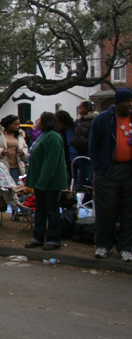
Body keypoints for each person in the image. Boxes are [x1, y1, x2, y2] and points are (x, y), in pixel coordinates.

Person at [89, 88, 132, 262]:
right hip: (108, 171)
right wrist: (98, 168)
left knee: (129, 212)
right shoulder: (102, 119)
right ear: (117, 102)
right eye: (127, 101)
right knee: (106, 210)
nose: (130, 104)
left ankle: (126, 247)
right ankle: (103, 244)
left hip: (129, 171)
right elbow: (94, 145)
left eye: (131, 101)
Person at [24, 111, 68, 251]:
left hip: (50, 183)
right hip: (41, 182)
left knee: (52, 210)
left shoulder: (53, 137)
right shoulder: (44, 136)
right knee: (40, 210)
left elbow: (50, 163)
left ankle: (53, 239)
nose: (37, 122)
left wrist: (42, 182)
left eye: (39, 120)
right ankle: (38, 237)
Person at [70, 100, 97, 191]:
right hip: (79, 148)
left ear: (86, 109)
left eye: (81, 108)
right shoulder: (80, 120)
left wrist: (86, 143)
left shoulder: (92, 120)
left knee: (89, 167)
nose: (79, 110)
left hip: (87, 148)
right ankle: (80, 185)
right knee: (81, 167)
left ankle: (90, 185)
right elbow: (76, 132)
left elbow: (91, 135)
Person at [0, 115, 28, 185]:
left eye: (18, 125)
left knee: (14, 188)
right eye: (15, 125)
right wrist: (0, 151)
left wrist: (23, 153)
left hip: (15, 166)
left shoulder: (19, 135)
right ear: (9, 124)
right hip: (3, 166)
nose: (17, 127)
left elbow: (25, 147)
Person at [56, 110, 76, 182]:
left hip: (78, 159)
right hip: (67, 161)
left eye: (59, 123)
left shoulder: (76, 128)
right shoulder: (60, 132)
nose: (58, 125)